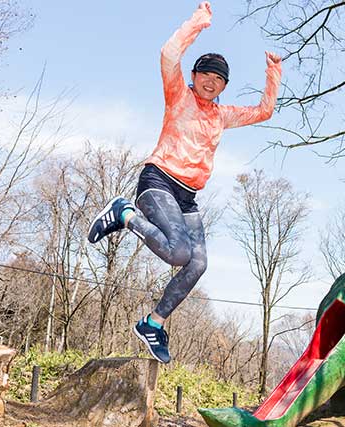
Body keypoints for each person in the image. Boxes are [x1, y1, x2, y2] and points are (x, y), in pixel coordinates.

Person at [86, 1, 282, 363]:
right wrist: (198, 22)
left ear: (224, 85)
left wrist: (273, 74)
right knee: (178, 252)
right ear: (193, 76)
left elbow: (264, 111)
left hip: (188, 197)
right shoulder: (179, 94)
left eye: (219, 78)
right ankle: (124, 214)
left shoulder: (222, 115)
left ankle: (153, 323)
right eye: (205, 74)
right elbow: (168, 52)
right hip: (158, 179)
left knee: (197, 264)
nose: (211, 81)